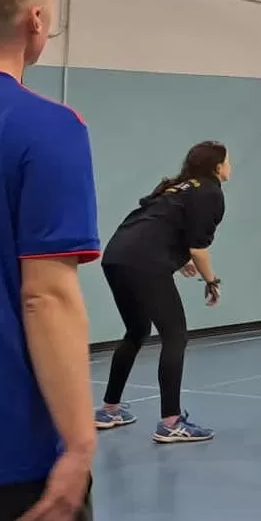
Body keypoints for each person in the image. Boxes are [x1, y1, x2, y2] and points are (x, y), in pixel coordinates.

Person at [0, 0, 99, 521]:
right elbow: (48, 299)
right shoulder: (47, 128)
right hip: (13, 452)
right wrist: (79, 442)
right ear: (36, 22)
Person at [94, 142, 230, 443]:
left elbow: (161, 226)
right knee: (175, 335)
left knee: (137, 330)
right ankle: (171, 421)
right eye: (227, 161)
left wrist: (178, 260)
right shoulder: (210, 191)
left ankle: (109, 409)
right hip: (145, 261)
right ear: (217, 167)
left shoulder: (177, 187)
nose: (230, 166)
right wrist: (212, 281)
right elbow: (198, 247)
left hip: (117, 255)